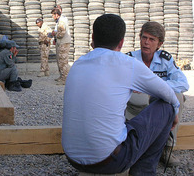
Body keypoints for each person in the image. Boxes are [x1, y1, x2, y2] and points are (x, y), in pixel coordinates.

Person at [62, 14, 180, 175]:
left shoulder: (77, 64)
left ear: (92, 38)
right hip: (109, 162)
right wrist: (175, 112)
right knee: (167, 107)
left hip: (72, 159)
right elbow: (167, 93)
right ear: (121, 42)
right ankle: (144, 172)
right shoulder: (127, 63)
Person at [125, 21, 189, 166]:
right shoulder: (129, 59)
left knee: (178, 96)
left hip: (156, 101)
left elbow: (183, 83)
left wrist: (155, 88)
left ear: (159, 44)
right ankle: (127, 146)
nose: (146, 42)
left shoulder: (165, 60)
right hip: (135, 105)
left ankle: (166, 149)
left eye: (151, 39)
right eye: (144, 38)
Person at [51, 8, 71, 85]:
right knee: (60, 60)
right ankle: (62, 76)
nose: (52, 17)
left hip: (64, 43)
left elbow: (61, 33)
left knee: (63, 61)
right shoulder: (60, 21)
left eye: (53, 15)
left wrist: (55, 34)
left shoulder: (61, 21)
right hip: (62, 42)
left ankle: (65, 79)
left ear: (56, 15)